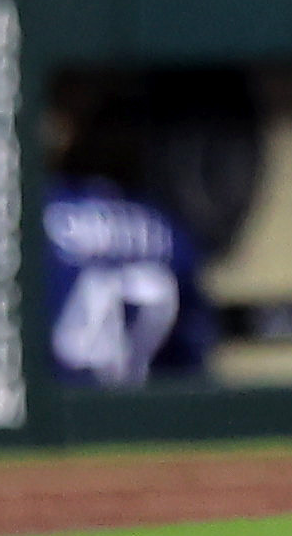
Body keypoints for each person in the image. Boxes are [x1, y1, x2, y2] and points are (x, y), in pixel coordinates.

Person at [44, 154, 215, 391]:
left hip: (57, 403)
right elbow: (191, 349)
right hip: (135, 409)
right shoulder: (165, 222)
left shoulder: (33, 210)